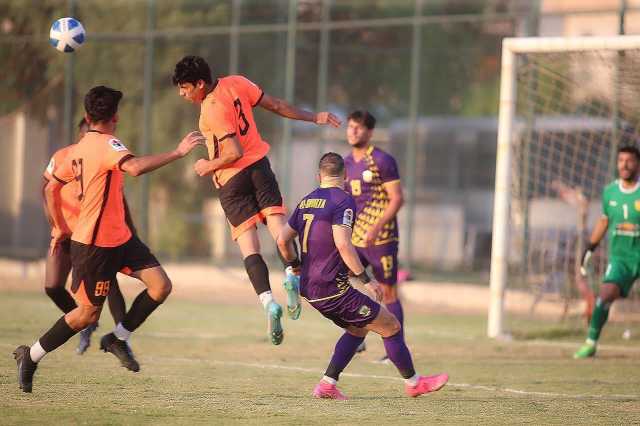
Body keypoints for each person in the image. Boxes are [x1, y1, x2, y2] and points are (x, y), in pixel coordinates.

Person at [13, 85, 204, 392]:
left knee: (160, 286)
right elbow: (136, 168)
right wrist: (179, 151)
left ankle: (117, 337)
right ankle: (31, 355)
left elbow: (50, 186)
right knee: (86, 314)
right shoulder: (107, 144)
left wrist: (59, 225)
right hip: (94, 246)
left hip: (121, 239)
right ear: (114, 118)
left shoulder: (75, 149)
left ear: (87, 117)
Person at [172, 55, 341, 345]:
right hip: (260, 169)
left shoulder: (210, 108)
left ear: (200, 84)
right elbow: (275, 105)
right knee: (279, 232)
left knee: (250, 247)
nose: (182, 93)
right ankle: (292, 273)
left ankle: (268, 303)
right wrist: (314, 117)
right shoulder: (236, 82)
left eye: (185, 88)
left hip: (232, 181)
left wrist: (205, 166)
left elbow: (233, 153)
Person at [277, 152, 448, 399]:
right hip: (332, 289)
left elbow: (282, 240)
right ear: (345, 176)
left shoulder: (306, 201)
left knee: (359, 329)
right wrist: (366, 279)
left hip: (309, 288)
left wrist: (294, 265)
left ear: (319, 176)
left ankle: (327, 384)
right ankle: (414, 383)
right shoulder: (343, 201)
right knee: (391, 326)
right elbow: (344, 244)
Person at [42, 118, 129, 355]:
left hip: (92, 236)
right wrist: (56, 224)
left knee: (109, 284)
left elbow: (118, 198)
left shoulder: (104, 158)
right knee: (52, 286)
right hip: (64, 234)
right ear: (81, 136)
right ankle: (84, 322)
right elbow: (47, 188)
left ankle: (122, 339)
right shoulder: (63, 157)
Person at [343, 111, 404, 361]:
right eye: (350, 127)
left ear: (369, 132)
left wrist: (376, 227)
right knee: (337, 279)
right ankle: (356, 336)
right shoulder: (345, 163)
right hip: (356, 239)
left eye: (358, 128)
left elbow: (398, 199)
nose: (352, 131)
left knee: (389, 293)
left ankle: (395, 348)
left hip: (382, 240)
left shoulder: (382, 160)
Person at [575, 145, 640, 359]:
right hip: (621, 259)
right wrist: (590, 247)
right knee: (604, 297)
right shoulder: (610, 191)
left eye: (629, 160)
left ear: (637, 164)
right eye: (621, 160)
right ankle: (591, 343)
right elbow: (604, 220)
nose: (624, 164)